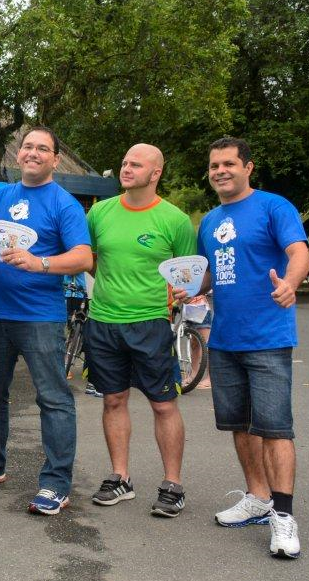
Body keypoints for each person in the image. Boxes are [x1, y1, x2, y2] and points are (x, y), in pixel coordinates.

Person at [0, 126, 92, 515]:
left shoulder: (65, 204)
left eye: (42, 148)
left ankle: (56, 483)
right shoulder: (1, 197)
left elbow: (83, 257)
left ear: (55, 159)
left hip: (39, 319)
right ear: (19, 154)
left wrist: (39, 263)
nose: (32, 153)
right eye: (27, 146)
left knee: (53, 399)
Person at [184, 137, 308, 558]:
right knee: (239, 425)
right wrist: (186, 291)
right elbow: (208, 275)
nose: (220, 171)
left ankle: (285, 516)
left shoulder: (275, 207)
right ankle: (258, 498)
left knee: (275, 429)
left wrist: (290, 284)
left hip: (268, 339)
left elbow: (298, 251)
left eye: (229, 164)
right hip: (225, 339)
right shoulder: (209, 221)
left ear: (248, 167)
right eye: (214, 165)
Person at [84, 143, 196, 517]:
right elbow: (91, 260)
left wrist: (169, 296)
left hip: (150, 323)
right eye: (124, 161)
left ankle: (173, 484)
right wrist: (115, 288)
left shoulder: (175, 220)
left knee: (163, 404)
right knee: (113, 400)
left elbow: (186, 274)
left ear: (156, 173)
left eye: (136, 164)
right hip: (103, 322)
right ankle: (121, 477)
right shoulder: (100, 212)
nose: (127, 168)